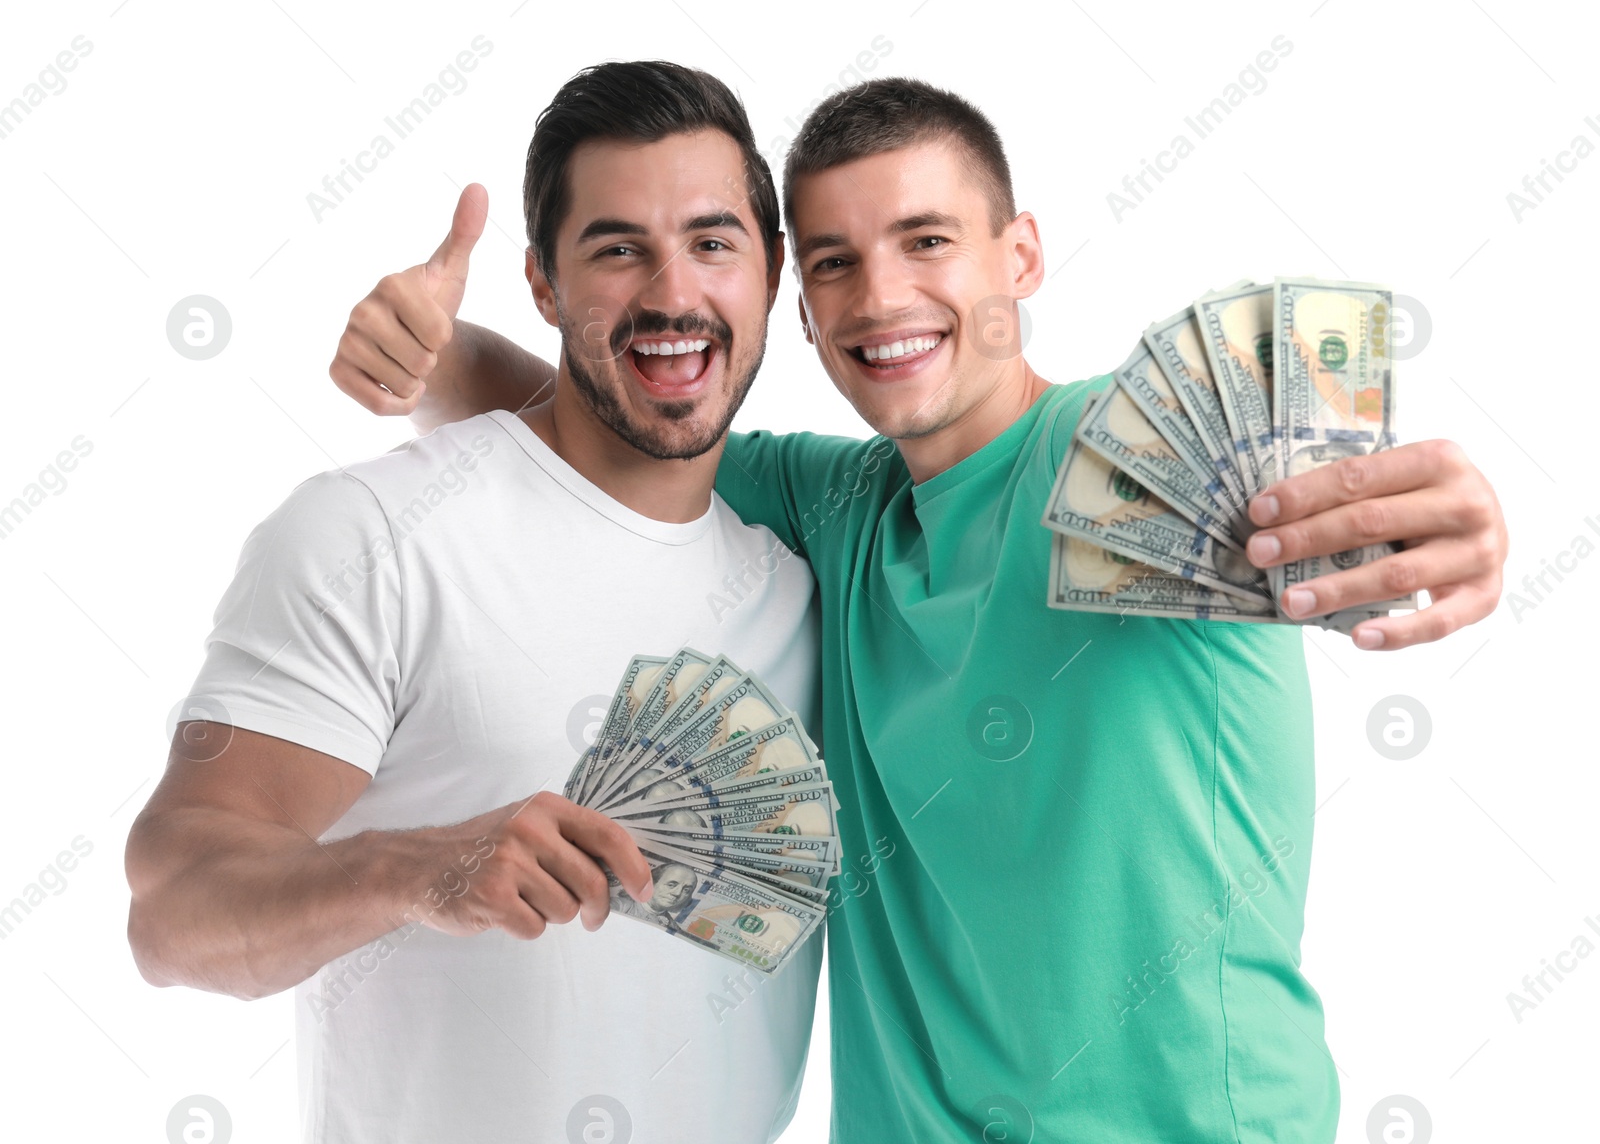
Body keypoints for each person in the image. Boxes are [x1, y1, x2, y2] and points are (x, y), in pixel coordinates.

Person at [331, 74, 1509, 1140]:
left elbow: (1329, 504)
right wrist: (430, 358)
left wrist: (1442, 530)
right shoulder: (833, 506)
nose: (879, 295)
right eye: (835, 260)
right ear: (798, 305)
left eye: (926, 239)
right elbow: (597, 416)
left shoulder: (1138, 458)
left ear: (1021, 256)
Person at [124, 62, 827, 1144]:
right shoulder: (374, 536)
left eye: (711, 241)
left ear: (771, 271)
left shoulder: (802, 570)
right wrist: (410, 868)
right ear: (542, 284)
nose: (675, 291)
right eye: (616, 247)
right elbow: (172, 914)